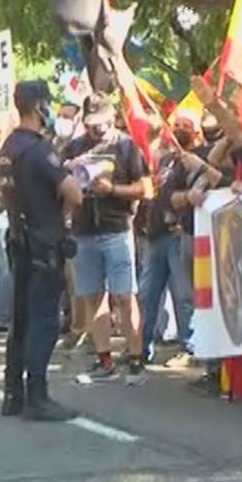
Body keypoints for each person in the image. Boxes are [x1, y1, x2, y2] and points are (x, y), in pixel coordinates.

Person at [0, 81, 84, 421]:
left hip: (19, 240)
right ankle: (37, 395)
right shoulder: (38, 150)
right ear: (37, 106)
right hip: (44, 243)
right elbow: (73, 193)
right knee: (43, 320)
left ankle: (13, 392)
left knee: (21, 318)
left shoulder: (7, 148)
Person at [61, 93, 152, 385]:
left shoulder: (126, 146)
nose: (96, 129)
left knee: (125, 296)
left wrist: (112, 190)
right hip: (84, 230)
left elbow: (147, 188)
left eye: (100, 123)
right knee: (92, 296)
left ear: (111, 117)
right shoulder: (74, 146)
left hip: (116, 228)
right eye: (91, 123)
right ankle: (104, 360)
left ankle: (136, 360)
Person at [139, 109, 221, 365]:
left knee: (185, 296)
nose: (179, 129)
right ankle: (142, 346)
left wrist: (181, 200)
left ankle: (189, 346)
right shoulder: (167, 161)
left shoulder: (199, 159)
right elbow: (163, 195)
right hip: (155, 235)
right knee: (147, 294)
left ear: (196, 132)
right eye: (177, 124)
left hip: (179, 235)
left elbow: (189, 196)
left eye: (186, 125)